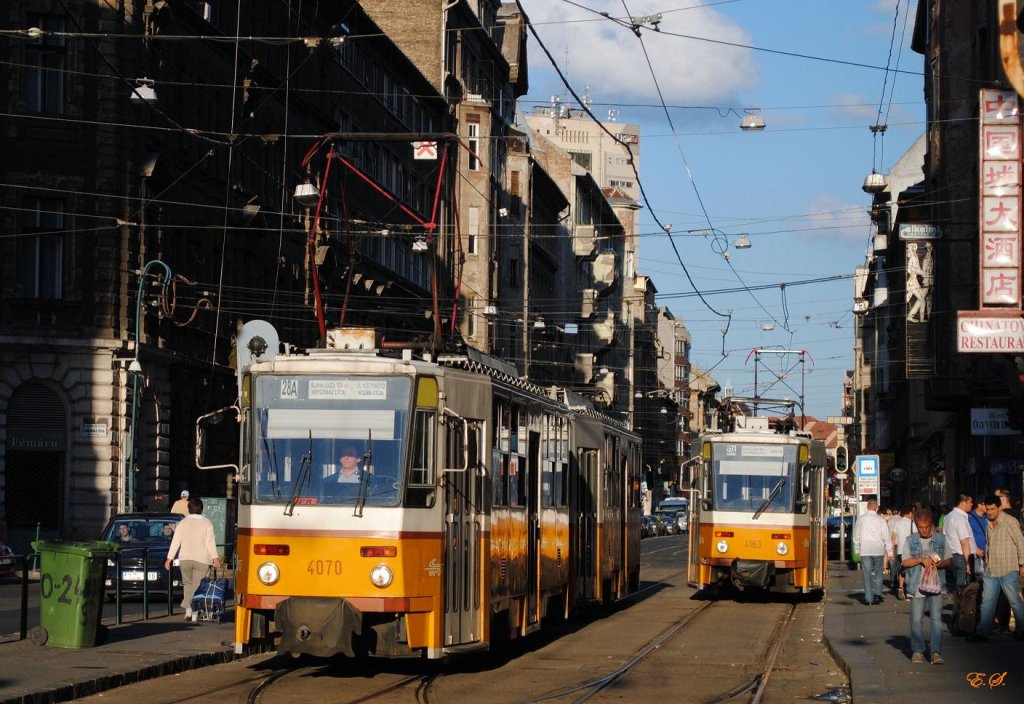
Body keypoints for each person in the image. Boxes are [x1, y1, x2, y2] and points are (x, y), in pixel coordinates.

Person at [971, 495, 1024, 642]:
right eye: (987, 509)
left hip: (1008, 569)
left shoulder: (1010, 522)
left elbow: (1021, 543)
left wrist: (1022, 565)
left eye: (992, 509)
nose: (989, 512)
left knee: (1015, 602)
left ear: (999, 508)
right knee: (987, 603)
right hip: (991, 570)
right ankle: (983, 633)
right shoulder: (987, 523)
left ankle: (1022, 629)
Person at [902, 509, 950, 664]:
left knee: (936, 619)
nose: (923, 530)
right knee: (916, 620)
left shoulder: (942, 540)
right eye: (920, 527)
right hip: (917, 586)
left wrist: (941, 563)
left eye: (926, 527)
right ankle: (917, 650)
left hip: (937, 585)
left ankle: (935, 652)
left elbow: (950, 560)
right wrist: (921, 560)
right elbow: (905, 561)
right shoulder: (910, 540)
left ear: (931, 525)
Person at [164, 497, 222, 621]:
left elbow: (176, 542)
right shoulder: (207, 523)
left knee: (187, 585)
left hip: (185, 558)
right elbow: (210, 543)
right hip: (202, 559)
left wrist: (169, 558)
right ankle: (196, 612)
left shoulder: (182, 523)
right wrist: (215, 558)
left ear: (189, 509)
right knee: (198, 586)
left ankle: (188, 611)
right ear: (201, 509)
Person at [854, 498, 892, 605]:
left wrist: (857, 548)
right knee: (879, 571)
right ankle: (878, 594)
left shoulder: (861, 519)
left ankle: (869, 598)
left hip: (865, 549)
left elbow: (857, 536)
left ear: (867, 507)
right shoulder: (881, 520)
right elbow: (886, 537)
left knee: (867, 573)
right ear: (876, 507)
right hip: (878, 549)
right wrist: (890, 552)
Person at [943, 493, 976, 593]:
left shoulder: (948, 516)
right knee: (964, 588)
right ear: (963, 503)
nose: (972, 504)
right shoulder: (960, 518)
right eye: (970, 502)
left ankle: (958, 606)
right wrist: (968, 562)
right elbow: (964, 542)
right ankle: (962, 608)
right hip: (961, 557)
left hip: (951, 555)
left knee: (957, 588)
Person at [891, 506, 914, 599]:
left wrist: (892, 551)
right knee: (911, 570)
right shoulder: (912, 524)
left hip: (900, 550)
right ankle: (909, 590)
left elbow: (893, 538)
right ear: (909, 513)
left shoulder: (898, 523)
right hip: (911, 550)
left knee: (902, 569)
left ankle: (900, 587)